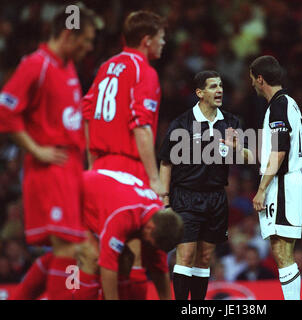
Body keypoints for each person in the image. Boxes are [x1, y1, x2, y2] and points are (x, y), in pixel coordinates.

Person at [0, 7, 96, 299]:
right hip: (50, 169)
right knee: (69, 247)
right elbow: (5, 108)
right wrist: (36, 150)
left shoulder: (66, 67)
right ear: (69, 34)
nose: (90, 47)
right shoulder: (36, 64)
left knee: (76, 247)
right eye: (87, 39)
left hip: (70, 168)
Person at [82, 10, 171, 299]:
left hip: (99, 170)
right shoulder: (144, 71)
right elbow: (142, 126)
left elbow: (86, 114)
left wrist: (93, 166)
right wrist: (155, 179)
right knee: (135, 255)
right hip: (129, 168)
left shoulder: (107, 67)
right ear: (146, 41)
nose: (164, 43)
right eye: (161, 38)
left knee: (98, 254)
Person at [159, 70, 253, 300]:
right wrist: (164, 200)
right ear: (200, 93)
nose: (219, 90)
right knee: (186, 254)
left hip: (216, 198)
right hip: (186, 196)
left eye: (220, 86)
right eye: (213, 87)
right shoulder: (182, 123)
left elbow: (250, 158)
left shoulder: (231, 122)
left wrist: (237, 149)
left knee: (205, 256)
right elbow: (166, 163)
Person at [71, 169, 183, 300]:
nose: (150, 248)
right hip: (71, 198)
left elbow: (159, 269)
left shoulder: (157, 218)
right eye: (151, 243)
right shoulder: (125, 214)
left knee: (126, 258)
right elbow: (107, 264)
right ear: (150, 228)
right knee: (93, 256)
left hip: (95, 200)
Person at [250, 55, 302, 300]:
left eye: (252, 79)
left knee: (282, 251)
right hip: (287, 181)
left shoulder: (278, 106)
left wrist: (262, 189)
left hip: (283, 183)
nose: (251, 84)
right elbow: (271, 152)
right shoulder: (287, 103)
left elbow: (279, 150)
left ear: (260, 79)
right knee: (281, 250)